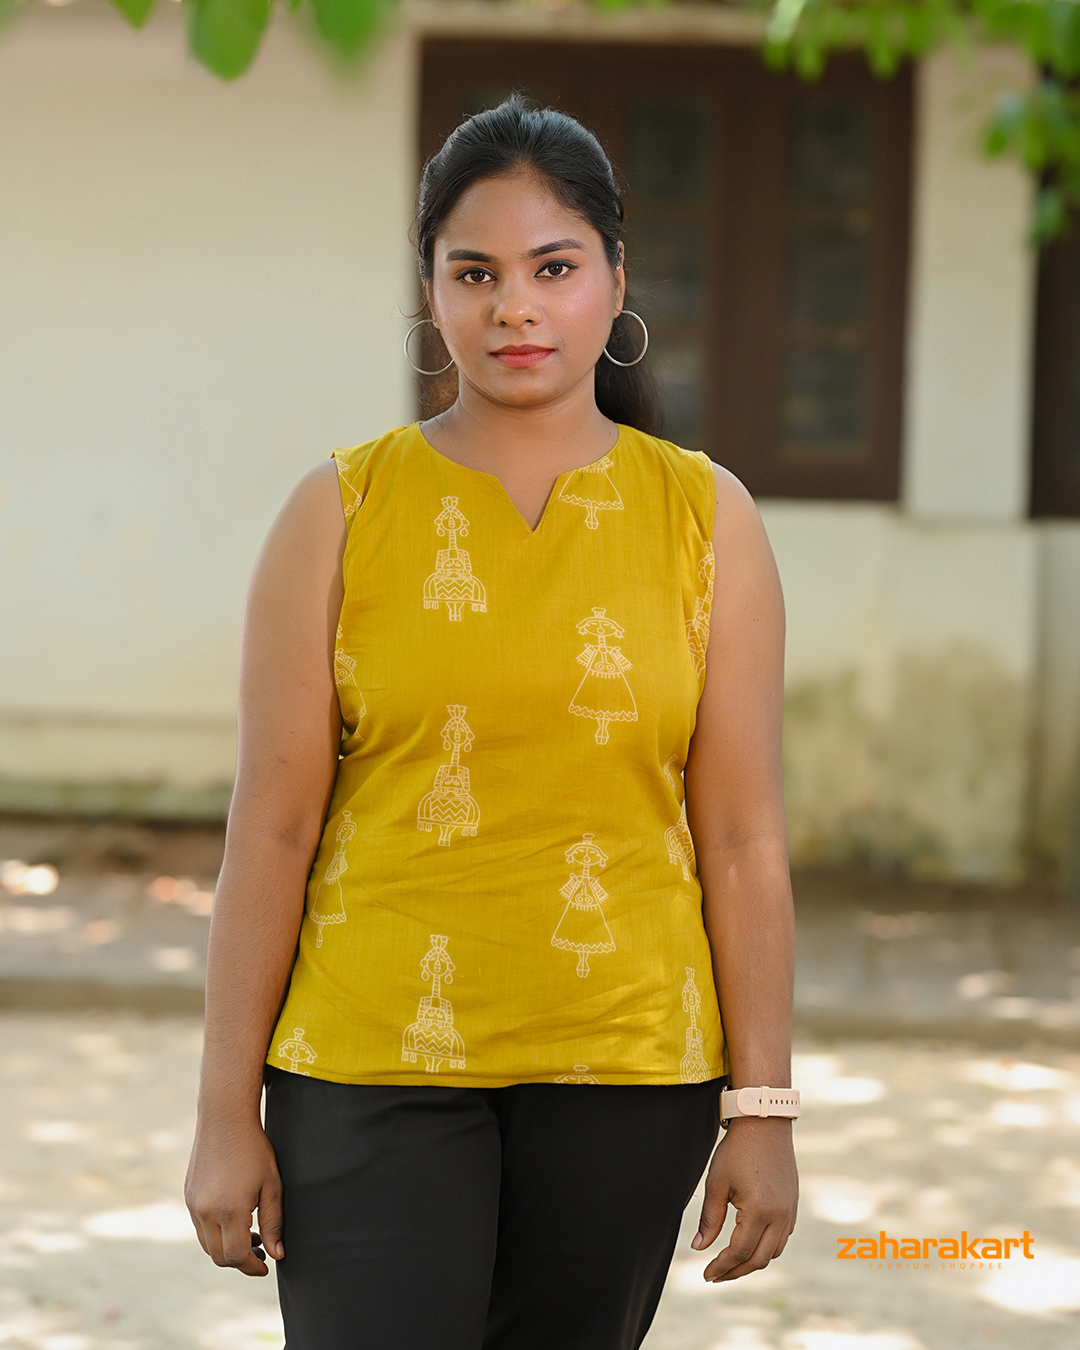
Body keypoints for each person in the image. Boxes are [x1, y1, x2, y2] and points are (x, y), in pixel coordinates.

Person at [184, 95, 799, 1350]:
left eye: (553, 269)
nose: (515, 307)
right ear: (431, 292)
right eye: (476, 273)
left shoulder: (707, 519)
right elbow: (273, 827)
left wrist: (765, 1109)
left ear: (615, 279)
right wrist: (221, 1113)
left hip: (628, 1069)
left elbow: (741, 837)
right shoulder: (340, 512)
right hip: (364, 1062)